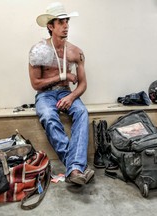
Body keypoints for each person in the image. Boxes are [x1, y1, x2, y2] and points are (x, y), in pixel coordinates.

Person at [28, 2, 94, 185]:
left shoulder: (76, 52)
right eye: (61, 22)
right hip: (45, 95)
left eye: (67, 22)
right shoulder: (38, 51)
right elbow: (35, 84)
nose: (66, 26)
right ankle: (76, 168)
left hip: (66, 93)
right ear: (50, 26)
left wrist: (71, 96)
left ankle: (74, 169)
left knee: (81, 112)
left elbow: (83, 85)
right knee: (48, 116)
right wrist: (62, 76)